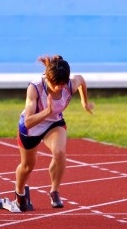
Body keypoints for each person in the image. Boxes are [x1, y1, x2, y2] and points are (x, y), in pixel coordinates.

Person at [12, 55, 94, 211]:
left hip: (54, 123)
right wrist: (48, 111)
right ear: (47, 78)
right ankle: (19, 192)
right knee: (28, 166)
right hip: (31, 127)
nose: (58, 88)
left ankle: (54, 191)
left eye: (62, 85)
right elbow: (28, 121)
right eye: (55, 84)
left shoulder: (70, 84)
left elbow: (81, 80)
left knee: (59, 152)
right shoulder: (35, 88)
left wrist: (85, 103)